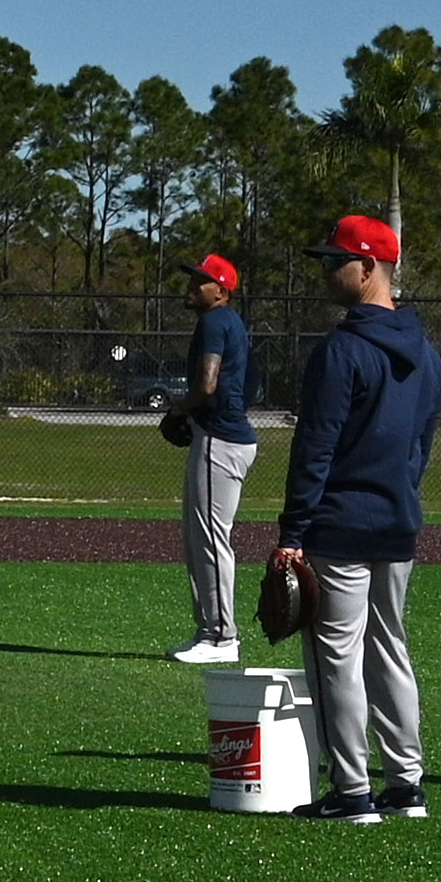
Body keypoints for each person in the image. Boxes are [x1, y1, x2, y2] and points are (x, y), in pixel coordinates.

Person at [268, 216, 441, 824]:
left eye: (335, 260)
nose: (326, 271)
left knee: (337, 657)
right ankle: (406, 785)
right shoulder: (425, 350)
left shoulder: (341, 349)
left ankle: (351, 792)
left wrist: (292, 534)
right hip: (397, 520)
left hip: (340, 522)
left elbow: (315, 447)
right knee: (389, 649)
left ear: (368, 268)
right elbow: (422, 444)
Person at [169, 253, 259, 661]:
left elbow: (207, 385)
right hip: (222, 436)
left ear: (221, 291)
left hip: (221, 439)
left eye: (201, 280)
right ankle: (211, 630)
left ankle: (222, 636)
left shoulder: (215, 321)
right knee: (200, 537)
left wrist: (178, 409)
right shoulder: (227, 322)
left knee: (209, 539)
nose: (192, 286)